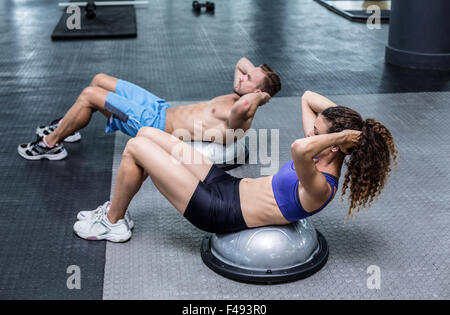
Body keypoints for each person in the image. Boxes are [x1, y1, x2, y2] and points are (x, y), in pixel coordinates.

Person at [73, 91, 398, 242]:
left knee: (136, 147)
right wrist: (355, 127)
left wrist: (338, 134)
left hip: (218, 211)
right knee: (147, 134)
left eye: (318, 132)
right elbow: (307, 97)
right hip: (224, 185)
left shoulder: (322, 182)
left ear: (336, 144)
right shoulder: (320, 150)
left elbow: (299, 147)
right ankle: (118, 209)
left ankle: (112, 221)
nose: (310, 130)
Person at [18, 57, 281, 160]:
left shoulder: (241, 116)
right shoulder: (241, 94)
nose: (241, 78)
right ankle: (69, 127)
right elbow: (241, 62)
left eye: (249, 79)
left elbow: (247, 102)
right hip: (159, 108)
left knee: (90, 95)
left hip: (153, 124)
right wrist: (256, 76)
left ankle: (50, 145)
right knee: (99, 79)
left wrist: (261, 97)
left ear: (257, 95)